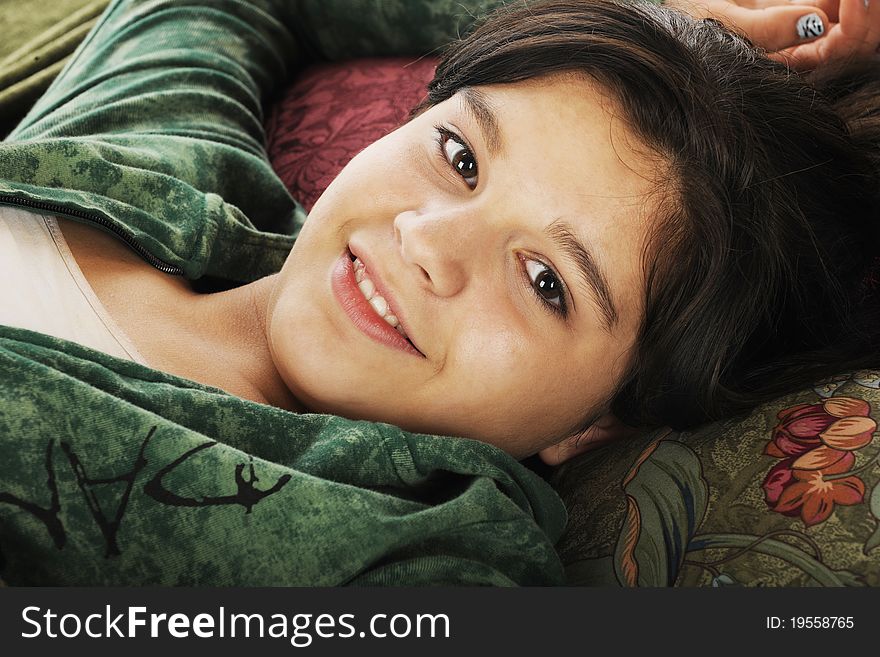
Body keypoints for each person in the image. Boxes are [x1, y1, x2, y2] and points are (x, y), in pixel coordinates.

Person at [0, 0, 879, 586]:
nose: (426, 241)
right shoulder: (162, 167)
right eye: (461, 157)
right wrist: (658, 13)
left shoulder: (404, 555)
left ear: (603, 420)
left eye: (546, 281)